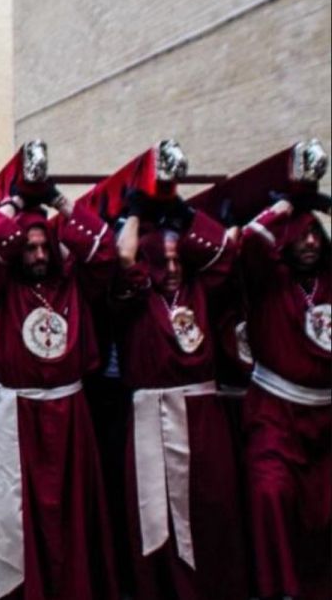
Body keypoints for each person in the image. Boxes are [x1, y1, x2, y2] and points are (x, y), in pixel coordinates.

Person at [0, 186, 118, 600]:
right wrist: (13, 205)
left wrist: (62, 203)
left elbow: (104, 250)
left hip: (69, 416)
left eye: (43, 248)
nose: (37, 256)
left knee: (72, 518)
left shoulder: (73, 284)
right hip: (15, 418)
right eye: (29, 248)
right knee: (16, 519)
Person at [111, 195, 247, 599]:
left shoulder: (199, 291)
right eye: (162, 261)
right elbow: (122, 256)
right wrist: (136, 213)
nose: (171, 270)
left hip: (204, 419)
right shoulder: (136, 298)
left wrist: (187, 215)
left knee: (213, 510)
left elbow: (223, 252)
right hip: (153, 418)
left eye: (177, 260)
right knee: (158, 520)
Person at [240, 195, 331, 600]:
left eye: (315, 233)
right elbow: (249, 238)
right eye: (300, 234)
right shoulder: (268, 279)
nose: (309, 242)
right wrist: (287, 205)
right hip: (275, 416)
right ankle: (280, 592)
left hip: (327, 419)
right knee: (270, 494)